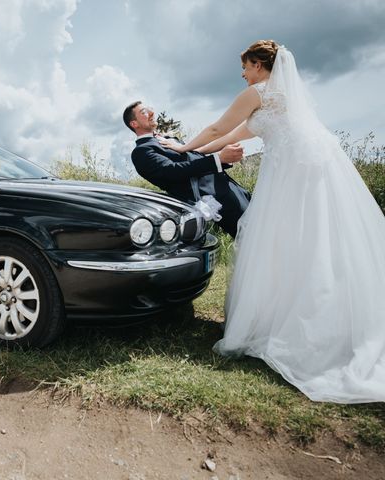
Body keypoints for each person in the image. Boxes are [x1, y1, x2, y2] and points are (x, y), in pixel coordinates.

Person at [164, 39, 385, 403]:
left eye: (247, 66)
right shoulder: (283, 100)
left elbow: (220, 129)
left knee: (285, 239)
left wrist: (182, 148)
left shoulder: (257, 93)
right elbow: (235, 136)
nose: (243, 73)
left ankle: (293, 325)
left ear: (261, 65)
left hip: (292, 174)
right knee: (312, 240)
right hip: (312, 167)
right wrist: (192, 150)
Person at [123, 102, 250, 237]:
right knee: (254, 238)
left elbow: (193, 156)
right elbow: (173, 172)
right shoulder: (142, 152)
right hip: (219, 201)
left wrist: (224, 159)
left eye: (150, 109)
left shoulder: (168, 139)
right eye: (144, 112)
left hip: (234, 190)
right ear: (134, 124)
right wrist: (218, 159)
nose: (152, 112)